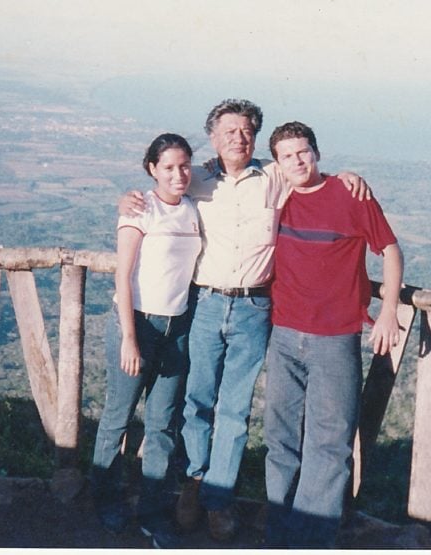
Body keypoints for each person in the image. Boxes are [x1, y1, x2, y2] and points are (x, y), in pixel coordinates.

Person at [119, 99, 369, 542]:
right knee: (196, 402)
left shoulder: (273, 177)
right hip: (205, 304)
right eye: (229, 131)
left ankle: (218, 501)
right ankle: (195, 484)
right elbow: (160, 189)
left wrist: (347, 177)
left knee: (234, 409)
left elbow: (307, 172)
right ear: (212, 139)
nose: (239, 137)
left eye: (247, 130)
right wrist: (128, 197)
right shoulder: (194, 178)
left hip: (255, 308)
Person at [262, 120, 404, 548]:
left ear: (318, 153)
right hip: (283, 333)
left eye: (303, 151)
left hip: (335, 338)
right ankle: (279, 533)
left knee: (329, 446)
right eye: (287, 156)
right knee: (280, 439)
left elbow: (391, 251)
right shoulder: (276, 195)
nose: (297, 160)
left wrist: (389, 310)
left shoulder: (350, 194)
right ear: (278, 165)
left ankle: (310, 540)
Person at [90, 133, 202, 549]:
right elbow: (123, 275)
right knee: (118, 417)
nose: (179, 174)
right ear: (151, 169)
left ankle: (153, 512)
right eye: (168, 167)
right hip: (137, 323)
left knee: (162, 425)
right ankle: (105, 498)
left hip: (178, 326)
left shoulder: (193, 207)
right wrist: (129, 340)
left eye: (184, 165)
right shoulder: (140, 210)